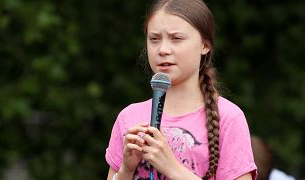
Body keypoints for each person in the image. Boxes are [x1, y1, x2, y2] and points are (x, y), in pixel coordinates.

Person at [105, 0, 257, 179]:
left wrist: (171, 167)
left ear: (205, 45)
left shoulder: (229, 118)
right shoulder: (128, 117)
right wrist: (126, 170)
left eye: (176, 38)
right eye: (154, 39)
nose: (162, 50)